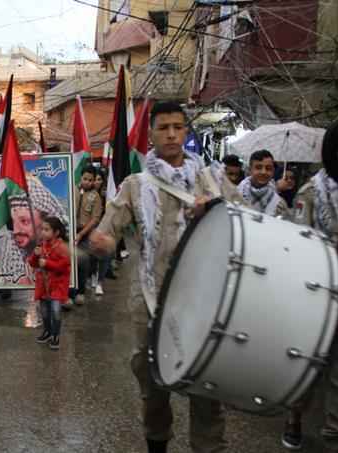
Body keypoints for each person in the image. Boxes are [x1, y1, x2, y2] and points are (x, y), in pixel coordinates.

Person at [89, 101, 226, 453]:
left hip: (204, 298)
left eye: (177, 127)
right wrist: (102, 242)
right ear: (151, 133)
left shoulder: (211, 181)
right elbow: (108, 230)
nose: (171, 134)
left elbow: (243, 225)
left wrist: (213, 211)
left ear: (186, 132)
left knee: (206, 383)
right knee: (152, 381)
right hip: (151, 299)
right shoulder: (136, 185)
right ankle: (157, 443)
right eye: (163, 127)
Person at [286, 118, 338, 453]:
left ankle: (336, 440)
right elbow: (296, 247)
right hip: (315, 303)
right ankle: (294, 418)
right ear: (333, 152)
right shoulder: (311, 193)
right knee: (307, 371)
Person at [0, 173, 68, 286]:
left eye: (24, 221)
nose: (16, 230)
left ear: (45, 219)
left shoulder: (60, 246)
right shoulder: (8, 245)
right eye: (13, 222)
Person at [28, 216, 70, 350]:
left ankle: (55, 335)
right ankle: (47, 331)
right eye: (42, 229)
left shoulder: (62, 247)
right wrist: (35, 255)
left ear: (56, 232)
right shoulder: (41, 245)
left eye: (47, 230)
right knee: (44, 312)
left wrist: (48, 263)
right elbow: (32, 263)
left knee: (56, 311)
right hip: (43, 285)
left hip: (57, 286)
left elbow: (64, 266)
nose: (43, 232)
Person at [72, 165, 102, 305]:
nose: (87, 182)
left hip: (85, 233)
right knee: (68, 262)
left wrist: (81, 234)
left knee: (83, 263)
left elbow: (95, 219)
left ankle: (80, 293)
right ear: (80, 177)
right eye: (85, 179)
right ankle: (68, 292)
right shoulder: (74, 190)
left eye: (90, 180)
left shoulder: (96, 197)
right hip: (71, 230)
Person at [237, 149, 290, 218]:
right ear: (250, 170)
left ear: (273, 171)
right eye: (258, 167)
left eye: (268, 168)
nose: (263, 172)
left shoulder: (280, 204)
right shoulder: (235, 194)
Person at [90, 167, 110, 296]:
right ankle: (92, 275)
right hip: (91, 230)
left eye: (99, 180)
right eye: (94, 180)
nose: (97, 182)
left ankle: (99, 283)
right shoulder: (86, 194)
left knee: (105, 256)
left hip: (105, 229)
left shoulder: (108, 195)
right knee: (92, 257)